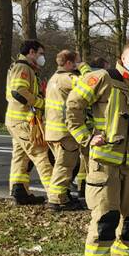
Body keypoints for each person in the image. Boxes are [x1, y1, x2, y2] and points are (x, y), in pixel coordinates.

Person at [65, 40, 129, 256]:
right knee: (106, 219)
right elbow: (73, 106)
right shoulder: (103, 78)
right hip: (104, 163)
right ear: (123, 58)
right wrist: (86, 137)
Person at [5, 40, 55, 205]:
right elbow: (19, 92)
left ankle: (19, 191)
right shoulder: (23, 68)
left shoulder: (23, 67)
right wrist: (41, 103)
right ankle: (56, 197)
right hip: (24, 121)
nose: (42, 57)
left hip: (17, 121)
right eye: (40, 53)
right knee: (41, 155)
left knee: (21, 156)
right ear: (31, 52)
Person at [44, 50, 85, 211]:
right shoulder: (68, 78)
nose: (79, 64)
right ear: (69, 63)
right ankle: (57, 200)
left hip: (53, 132)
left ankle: (62, 196)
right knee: (64, 167)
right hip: (65, 133)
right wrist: (85, 68)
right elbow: (89, 85)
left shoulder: (53, 78)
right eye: (77, 61)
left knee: (61, 166)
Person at [72, 56, 109, 201]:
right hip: (88, 125)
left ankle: (81, 185)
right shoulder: (94, 78)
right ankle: (84, 187)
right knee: (87, 159)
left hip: (84, 125)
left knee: (84, 158)